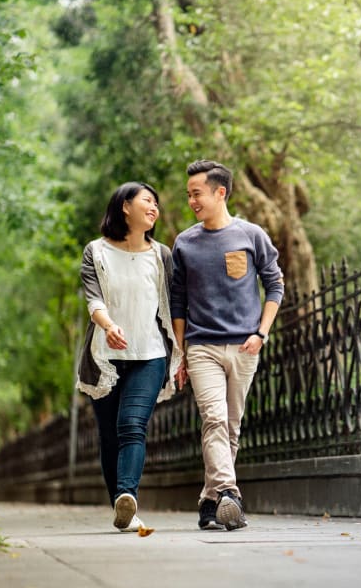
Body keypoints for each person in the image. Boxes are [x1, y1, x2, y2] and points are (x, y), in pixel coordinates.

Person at [170, 160, 284, 531]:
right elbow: (177, 301)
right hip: (202, 346)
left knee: (230, 427)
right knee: (214, 419)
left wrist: (261, 333)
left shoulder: (251, 236)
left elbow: (275, 285)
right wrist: (181, 352)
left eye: (196, 193)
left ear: (220, 192)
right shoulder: (185, 243)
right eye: (188, 195)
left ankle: (209, 500)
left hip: (245, 347)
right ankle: (230, 493)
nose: (191, 201)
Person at [76, 181, 183, 533]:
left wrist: (180, 355)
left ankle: (128, 495)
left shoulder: (161, 255)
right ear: (125, 206)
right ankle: (122, 508)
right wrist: (108, 326)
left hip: (149, 354)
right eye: (147, 201)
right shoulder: (96, 252)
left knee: (132, 426)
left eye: (156, 203)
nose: (154, 208)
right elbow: (94, 300)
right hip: (104, 356)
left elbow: (174, 308)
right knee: (109, 435)